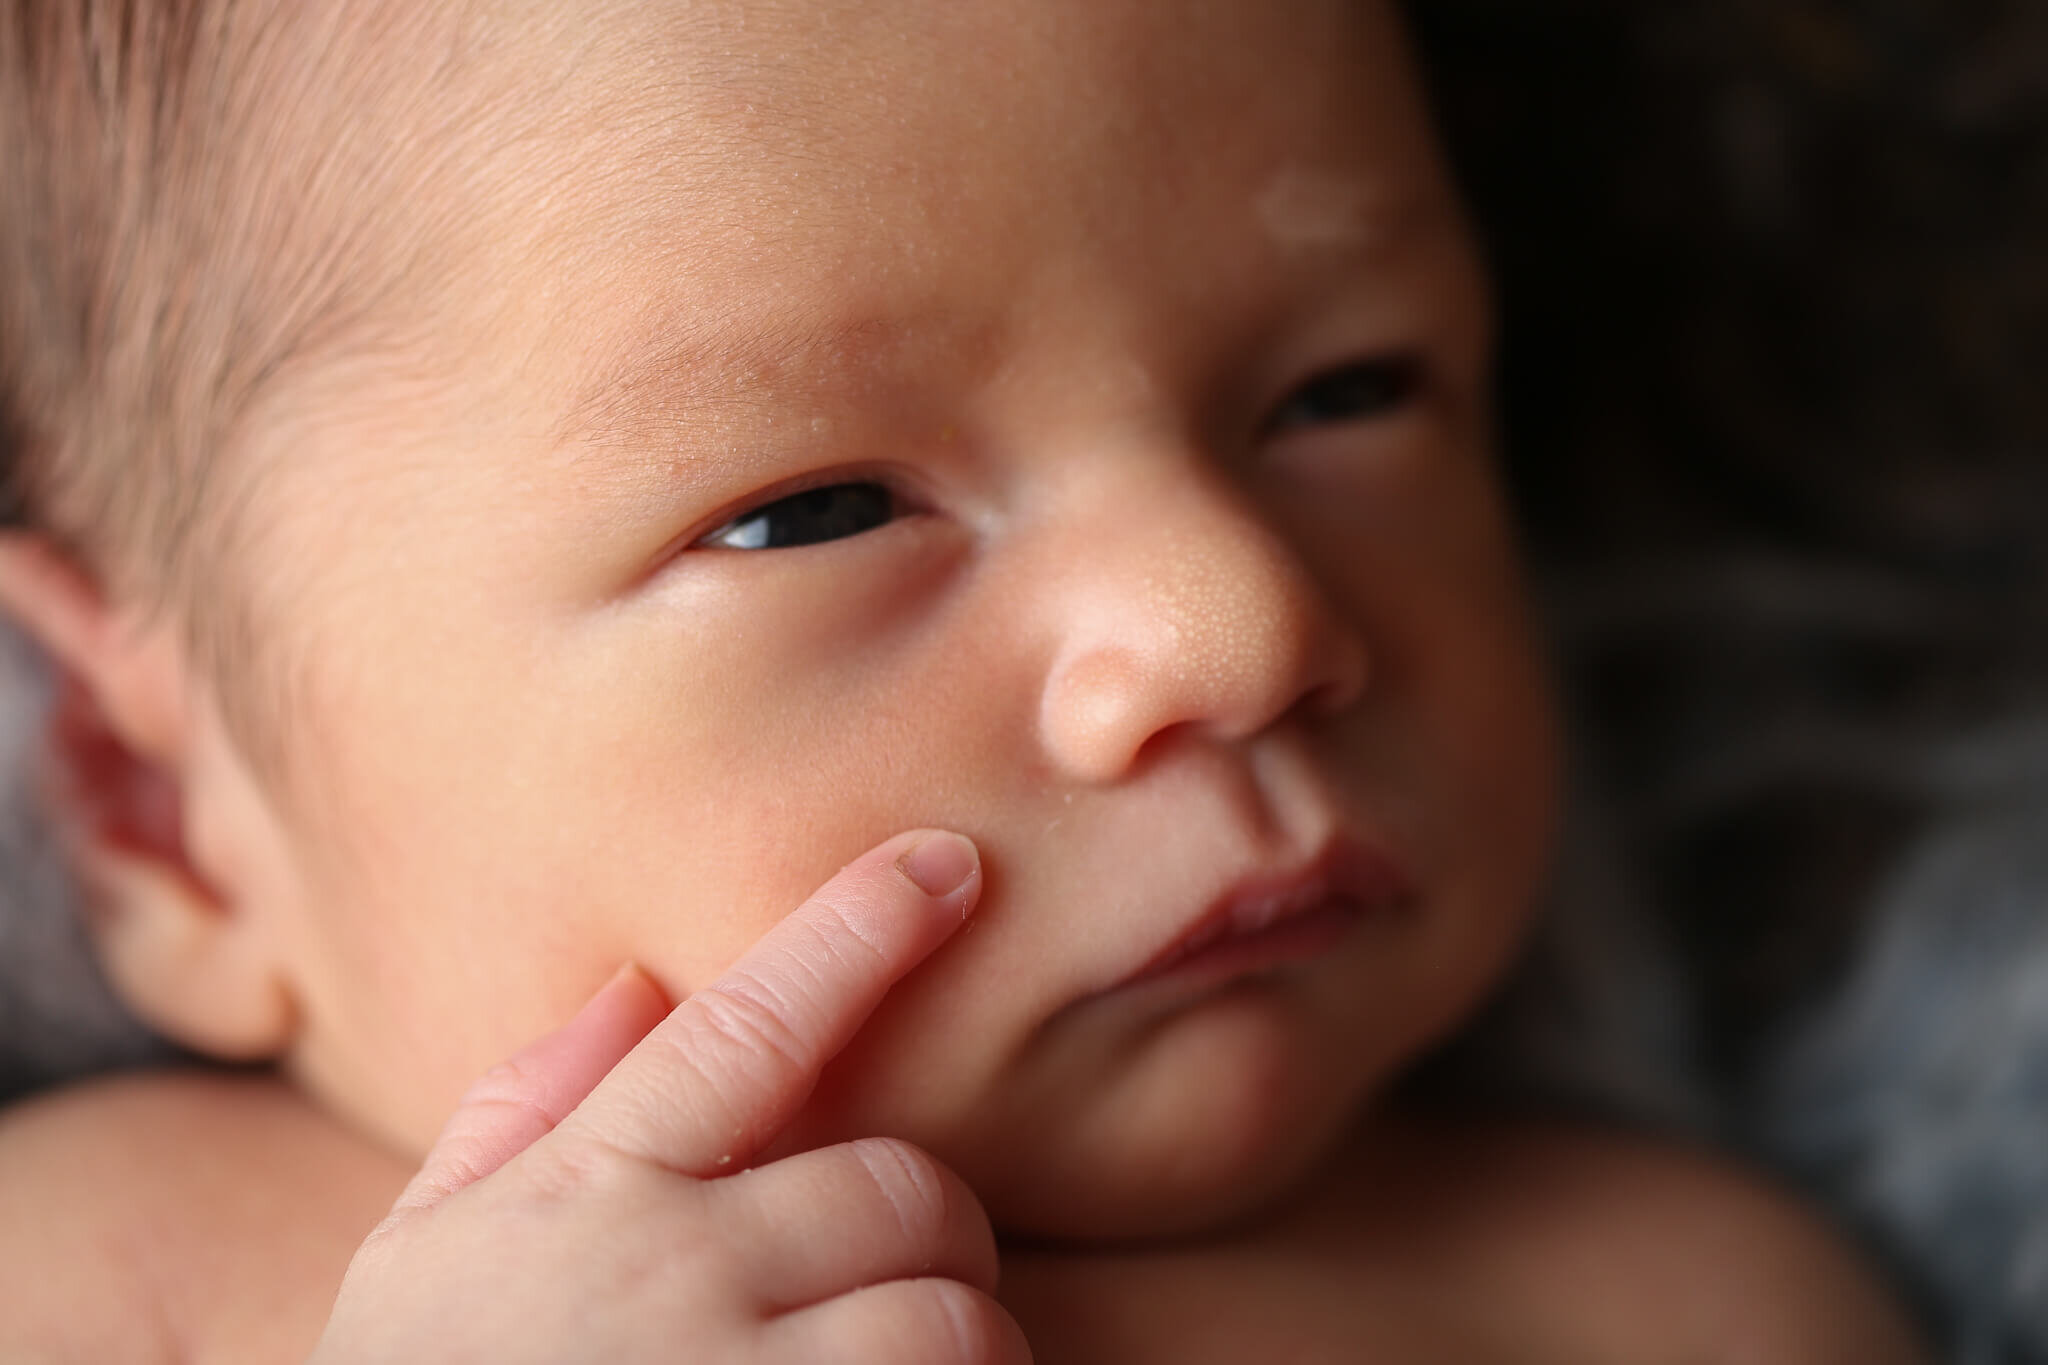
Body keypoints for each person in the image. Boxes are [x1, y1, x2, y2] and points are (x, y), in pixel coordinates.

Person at [0, 0, 1926, 1359]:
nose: (1240, 622)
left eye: (1345, 392)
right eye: (818, 507)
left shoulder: (1675, 1302)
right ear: (151, 797)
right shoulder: (110, 1274)